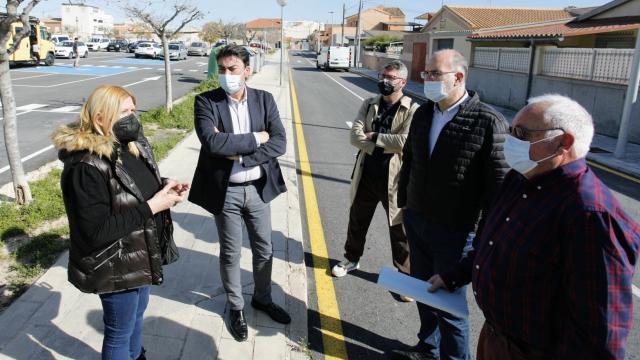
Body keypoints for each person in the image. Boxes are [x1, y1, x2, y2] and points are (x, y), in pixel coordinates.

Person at [429, 94, 640, 360]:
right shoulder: (520, 178)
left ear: (564, 142)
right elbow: (492, 244)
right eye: (510, 130)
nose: (510, 140)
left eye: (522, 133)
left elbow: (602, 331)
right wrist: (455, 275)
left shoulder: (590, 214)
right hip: (495, 339)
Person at [52, 84, 189, 360]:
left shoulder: (128, 146)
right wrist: (154, 206)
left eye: (133, 110)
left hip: (138, 253)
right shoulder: (86, 166)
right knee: (119, 332)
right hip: (114, 263)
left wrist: (165, 187)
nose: (132, 118)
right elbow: (95, 231)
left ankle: (137, 355)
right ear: (100, 118)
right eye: (124, 112)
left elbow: (132, 189)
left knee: (136, 317)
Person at [390, 49, 509, 360]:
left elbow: (498, 192)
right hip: (418, 221)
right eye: (426, 73)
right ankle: (428, 349)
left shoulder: (488, 122)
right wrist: (405, 205)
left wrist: (484, 239)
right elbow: (411, 163)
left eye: (434, 74)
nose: (427, 79)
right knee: (423, 294)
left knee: (449, 308)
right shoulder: (424, 113)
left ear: (459, 77)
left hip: (456, 233)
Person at [188, 44, 289, 342]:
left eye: (232, 69)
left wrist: (242, 156)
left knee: (264, 249)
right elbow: (213, 144)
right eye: (221, 70)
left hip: (258, 189)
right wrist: (258, 138)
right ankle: (235, 306)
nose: (226, 75)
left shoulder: (264, 100)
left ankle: (263, 298)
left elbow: (280, 142)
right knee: (230, 253)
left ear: (247, 70)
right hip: (226, 193)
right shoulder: (206, 102)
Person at [331, 61, 418, 294]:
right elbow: (354, 136)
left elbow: (406, 142)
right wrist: (383, 143)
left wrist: (375, 136)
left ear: (403, 82)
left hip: (395, 179)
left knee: (399, 229)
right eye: (383, 76)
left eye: (390, 78)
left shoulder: (412, 109)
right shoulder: (369, 104)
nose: (384, 81)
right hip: (366, 173)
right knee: (357, 219)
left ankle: (405, 276)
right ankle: (351, 258)